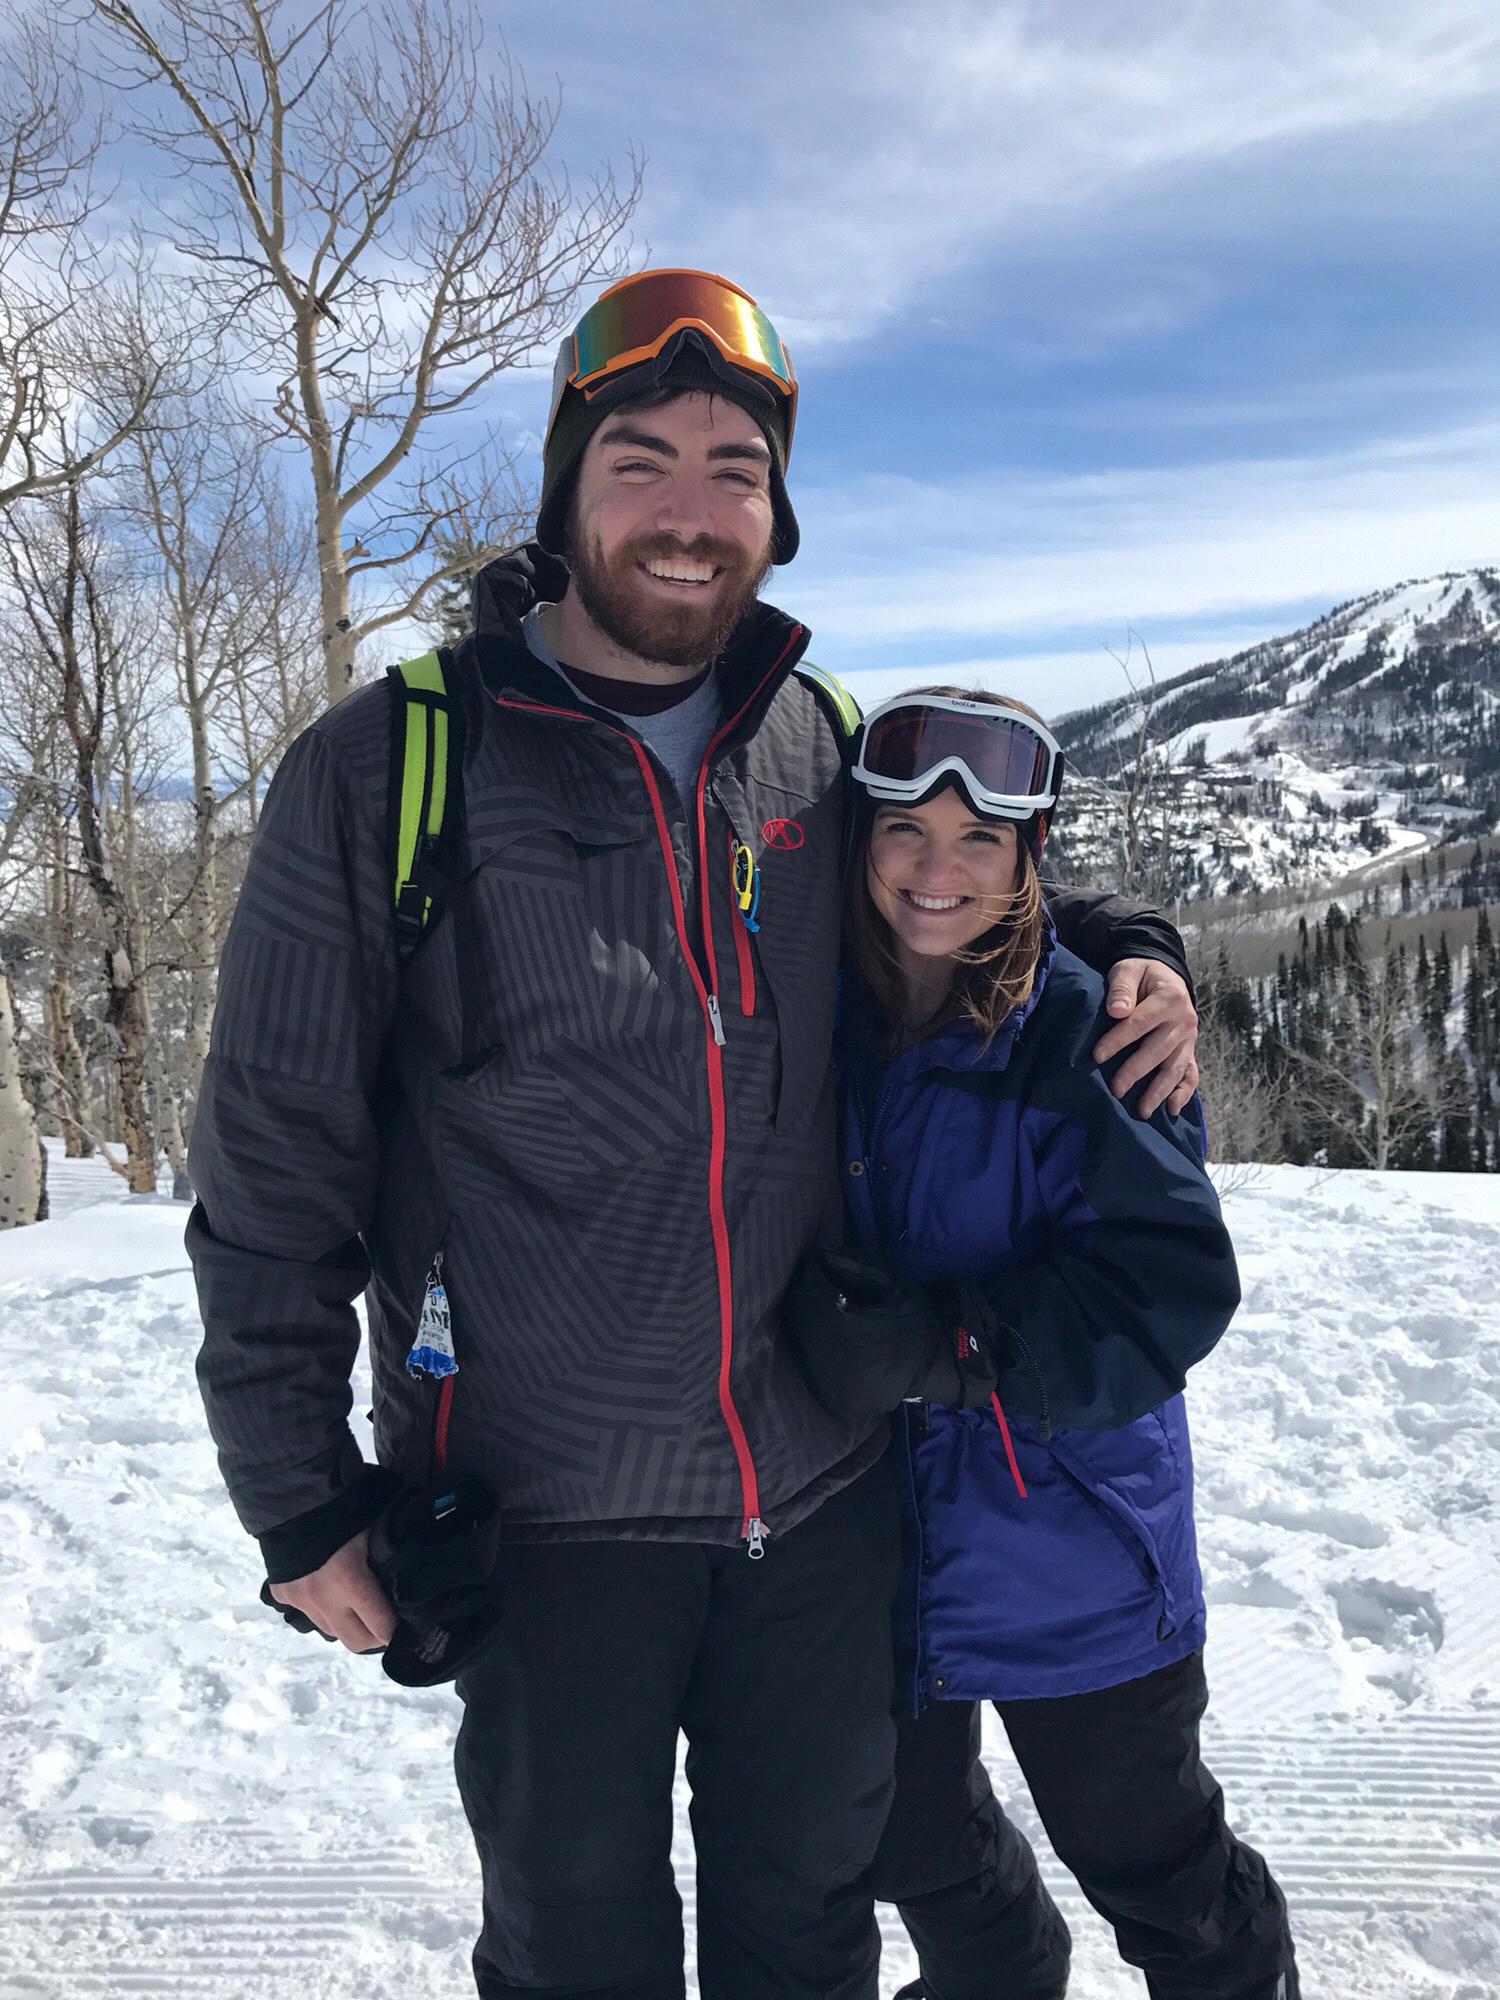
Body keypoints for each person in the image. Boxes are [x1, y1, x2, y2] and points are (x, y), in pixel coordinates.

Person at [186, 270, 1204, 2000]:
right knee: (576, 1944)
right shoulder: (390, 768)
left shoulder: (812, 743)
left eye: (735, 470)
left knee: (805, 1935)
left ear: (776, 516)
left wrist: (1129, 945)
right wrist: (298, 1502)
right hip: (540, 1510)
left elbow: (961, 877)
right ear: (570, 492)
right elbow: (275, 1162)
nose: (687, 508)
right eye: (641, 458)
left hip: (817, 1494)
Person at [793, 687, 1298, 2000]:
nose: (938, 870)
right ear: (862, 842)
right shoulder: (820, 1019)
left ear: (1029, 857)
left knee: (1157, 1868)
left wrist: (947, 1348)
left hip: (1072, 1555)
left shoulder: (1084, 1031)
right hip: (873, 1554)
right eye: (908, 831)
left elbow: (1168, 1289)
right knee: (912, 1842)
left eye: (982, 839)